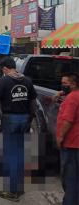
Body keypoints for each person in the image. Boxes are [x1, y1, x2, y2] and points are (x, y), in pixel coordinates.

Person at [0, 57, 37, 201]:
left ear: (5, 68)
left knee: (11, 155)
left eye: (2, 69)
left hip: (9, 119)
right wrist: (29, 119)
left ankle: (12, 192)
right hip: (24, 119)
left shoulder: (3, 81)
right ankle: (18, 188)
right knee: (20, 154)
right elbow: (33, 103)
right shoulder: (28, 81)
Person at [56, 73, 79, 205]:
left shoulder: (72, 98)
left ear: (74, 84)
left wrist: (60, 137)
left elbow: (68, 121)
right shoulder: (72, 96)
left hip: (71, 144)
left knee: (70, 179)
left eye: (66, 83)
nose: (63, 85)